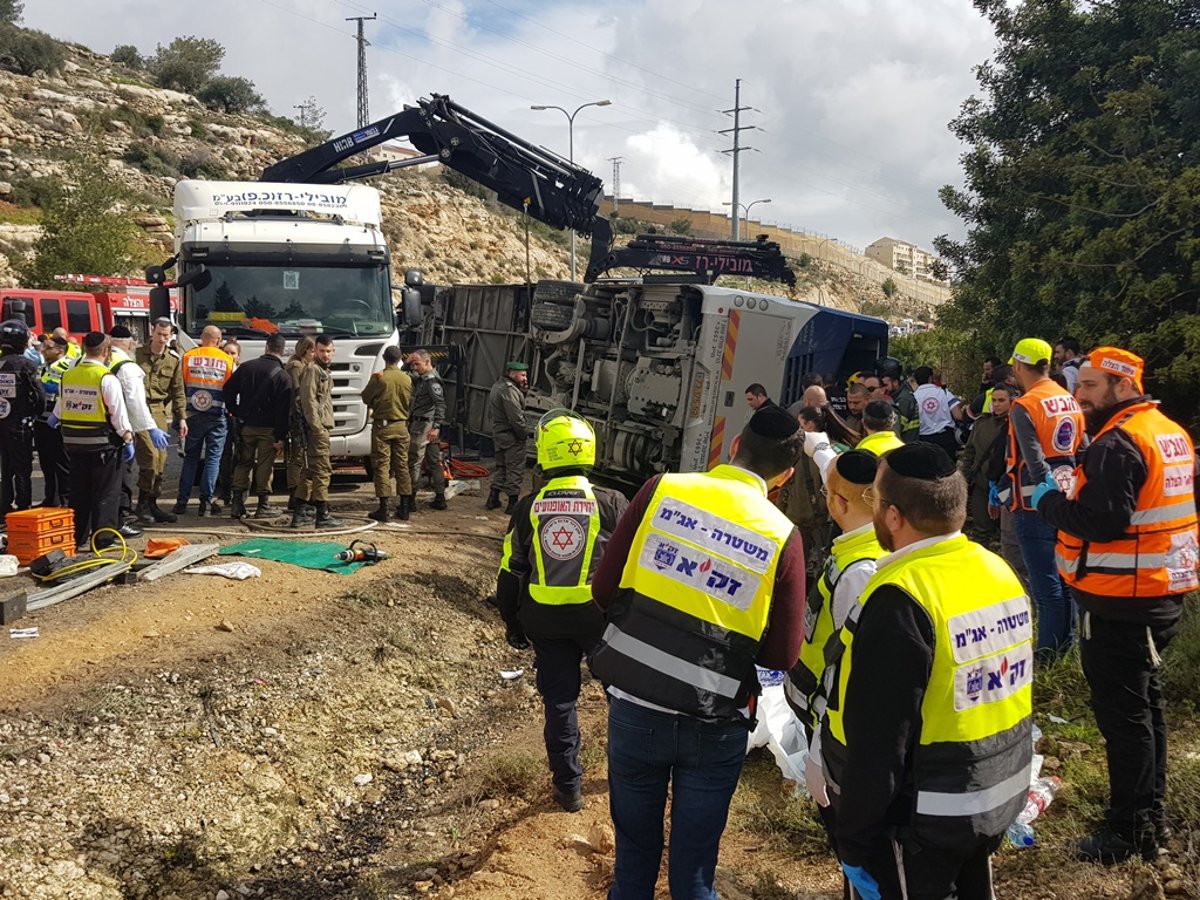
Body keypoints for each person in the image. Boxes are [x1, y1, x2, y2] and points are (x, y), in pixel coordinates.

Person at [589, 405, 807, 900]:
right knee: (693, 876)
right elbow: (781, 656)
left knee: (632, 864)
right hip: (715, 721)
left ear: (733, 446)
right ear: (785, 475)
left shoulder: (662, 490)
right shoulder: (781, 536)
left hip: (637, 706)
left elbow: (603, 589)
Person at [820, 443, 1033, 900]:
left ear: (894, 516)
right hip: (990, 796)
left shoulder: (901, 599)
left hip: (916, 822)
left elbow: (880, 744)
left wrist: (853, 839)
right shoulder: (997, 571)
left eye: (876, 501)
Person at [1034, 347, 1198, 863]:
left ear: (1122, 387)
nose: (1078, 395)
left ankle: (1127, 832)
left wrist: (1049, 502)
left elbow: (1102, 520)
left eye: (1089, 386)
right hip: (1154, 593)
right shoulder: (1166, 430)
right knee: (1146, 710)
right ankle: (1147, 817)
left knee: (1126, 718)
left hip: (1122, 600)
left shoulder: (1118, 442)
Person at [495, 411, 629, 812]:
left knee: (560, 702)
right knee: (620, 697)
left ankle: (568, 788)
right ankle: (626, 777)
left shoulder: (527, 508)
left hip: (545, 621)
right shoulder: (611, 503)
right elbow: (633, 566)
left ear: (545, 453)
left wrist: (512, 623)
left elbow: (510, 573)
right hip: (599, 620)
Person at [1004, 337, 1085, 660]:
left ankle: (1048, 655)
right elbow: (1080, 449)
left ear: (1019, 365)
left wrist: (1045, 495)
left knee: (1046, 586)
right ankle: (1069, 648)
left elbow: (1034, 460)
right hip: (1069, 498)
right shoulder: (1069, 399)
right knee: (1066, 580)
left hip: (1033, 502)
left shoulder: (1025, 405)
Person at [55, 332, 134, 550]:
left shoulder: (69, 375)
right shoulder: (106, 377)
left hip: (73, 443)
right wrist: (127, 437)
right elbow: (118, 413)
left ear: (83, 349)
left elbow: (61, 408)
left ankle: (77, 537)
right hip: (102, 444)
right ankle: (103, 539)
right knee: (106, 492)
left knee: (79, 491)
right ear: (106, 352)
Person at [107, 325, 167, 538]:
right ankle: (119, 520)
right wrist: (148, 429)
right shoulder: (126, 365)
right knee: (119, 478)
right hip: (116, 429)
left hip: (84, 428)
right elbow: (134, 403)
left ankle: (92, 524)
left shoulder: (87, 361)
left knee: (94, 480)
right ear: (126, 342)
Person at [224, 333, 291, 519]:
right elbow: (283, 411)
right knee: (265, 465)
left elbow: (227, 390)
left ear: (266, 348)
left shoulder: (246, 367)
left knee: (243, 463)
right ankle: (263, 505)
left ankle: (237, 504)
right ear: (282, 351)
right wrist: (281, 436)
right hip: (269, 429)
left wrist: (236, 411)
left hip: (246, 426)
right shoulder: (283, 376)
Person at [174, 325, 234, 517]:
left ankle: (182, 502)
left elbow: (179, 386)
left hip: (192, 414)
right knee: (213, 459)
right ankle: (205, 503)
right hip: (217, 416)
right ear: (218, 340)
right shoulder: (227, 360)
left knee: (190, 458)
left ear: (202, 338)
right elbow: (232, 391)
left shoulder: (188, 357)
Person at [134, 318, 187, 524]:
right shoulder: (136, 355)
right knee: (149, 460)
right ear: (152, 331)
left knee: (160, 461)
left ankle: (152, 503)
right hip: (137, 408)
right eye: (160, 334)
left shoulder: (173, 360)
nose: (163, 339)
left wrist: (181, 418)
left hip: (158, 411)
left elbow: (178, 391)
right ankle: (141, 505)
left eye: (167, 335)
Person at [361, 345, 413, 522]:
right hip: (401, 426)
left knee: (382, 465)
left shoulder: (379, 378)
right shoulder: (407, 379)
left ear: (384, 358)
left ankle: (384, 508)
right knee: (402, 465)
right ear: (400, 359)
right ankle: (405, 507)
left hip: (383, 427)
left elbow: (366, 397)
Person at [294, 334, 342, 529]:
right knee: (322, 471)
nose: (326, 355)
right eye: (322, 351)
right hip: (317, 430)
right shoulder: (314, 370)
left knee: (308, 471)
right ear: (316, 351)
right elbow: (308, 400)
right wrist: (317, 427)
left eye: (329, 351)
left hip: (318, 428)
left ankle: (299, 512)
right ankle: (322, 515)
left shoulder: (323, 371)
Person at [0, 319, 44, 519]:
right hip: (20, 424)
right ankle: (24, 507)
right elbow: (39, 395)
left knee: (4, 467)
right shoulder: (27, 364)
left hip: (2, 423)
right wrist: (36, 414)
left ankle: (3, 506)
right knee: (22, 468)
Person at [960, 383, 1011, 536]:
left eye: (1001, 400)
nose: (996, 404)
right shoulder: (981, 423)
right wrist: (964, 477)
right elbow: (970, 451)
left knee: (1005, 530)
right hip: (981, 484)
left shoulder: (1016, 425)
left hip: (1005, 486)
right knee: (981, 527)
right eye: (994, 400)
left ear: (1012, 401)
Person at [408, 349, 448, 511]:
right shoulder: (423, 379)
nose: (414, 367)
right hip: (426, 425)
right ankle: (440, 496)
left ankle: (410, 498)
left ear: (427, 362)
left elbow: (440, 404)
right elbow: (406, 375)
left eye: (417, 364)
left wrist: (436, 427)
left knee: (414, 461)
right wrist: (407, 362)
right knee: (433, 461)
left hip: (424, 426)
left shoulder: (432, 382)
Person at [35, 335, 72, 507]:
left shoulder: (68, 366)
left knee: (62, 463)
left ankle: (66, 499)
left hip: (59, 422)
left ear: (59, 350)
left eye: (48, 347)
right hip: (41, 421)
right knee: (46, 462)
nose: (43, 350)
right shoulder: (43, 367)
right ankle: (51, 498)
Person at [487, 361, 529, 514]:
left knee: (501, 467)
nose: (525, 378)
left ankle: (493, 498)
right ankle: (512, 505)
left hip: (499, 434)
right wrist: (523, 435)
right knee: (515, 469)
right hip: (511, 436)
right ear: (513, 373)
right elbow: (515, 417)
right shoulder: (509, 390)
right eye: (522, 375)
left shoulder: (497, 386)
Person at [284, 337, 316, 514]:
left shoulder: (303, 366)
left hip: (301, 417)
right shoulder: (296, 367)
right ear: (304, 351)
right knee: (297, 458)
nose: (314, 355)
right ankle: (295, 495)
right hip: (297, 419)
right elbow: (298, 393)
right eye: (312, 351)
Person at [913, 365, 962, 458]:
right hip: (945, 439)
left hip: (923, 440)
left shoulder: (913, 397)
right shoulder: (944, 392)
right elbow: (958, 416)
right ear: (930, 378)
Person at [216, 338, 242, 505]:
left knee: (240, 455)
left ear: (238, 356)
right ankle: (225, 491)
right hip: (223, 416)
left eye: (233, 353)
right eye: (226, 353)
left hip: (238, 418)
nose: (229, 356)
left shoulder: (243, 372)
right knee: (225, 455)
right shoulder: (216, 373)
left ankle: (238, 492)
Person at [878, 357, 918, 442]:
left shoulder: (904, 399)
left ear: (895, 383)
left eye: (885, 385)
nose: (882, 389)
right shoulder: (898, 395)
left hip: (905, 445)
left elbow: (895, 427)